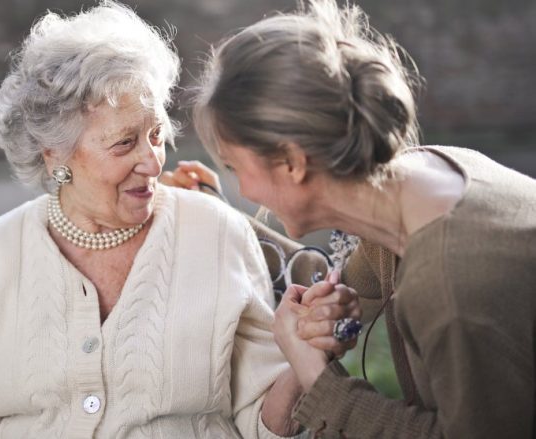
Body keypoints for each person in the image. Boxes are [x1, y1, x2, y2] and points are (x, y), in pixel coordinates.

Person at [0, 2, 360, 438]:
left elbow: (260, 423)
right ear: (54, 155)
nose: (152, 161)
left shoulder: (218, 233)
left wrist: (304, 356)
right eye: (124, 144)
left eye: (156, 135)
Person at [192, 0, 536, 437]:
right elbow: (345, 292)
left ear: (292, 163)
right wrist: (323, 316)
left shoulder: (450, 284)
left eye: (236, 168)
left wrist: (321, 382)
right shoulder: (424, 177)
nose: (245, 192)